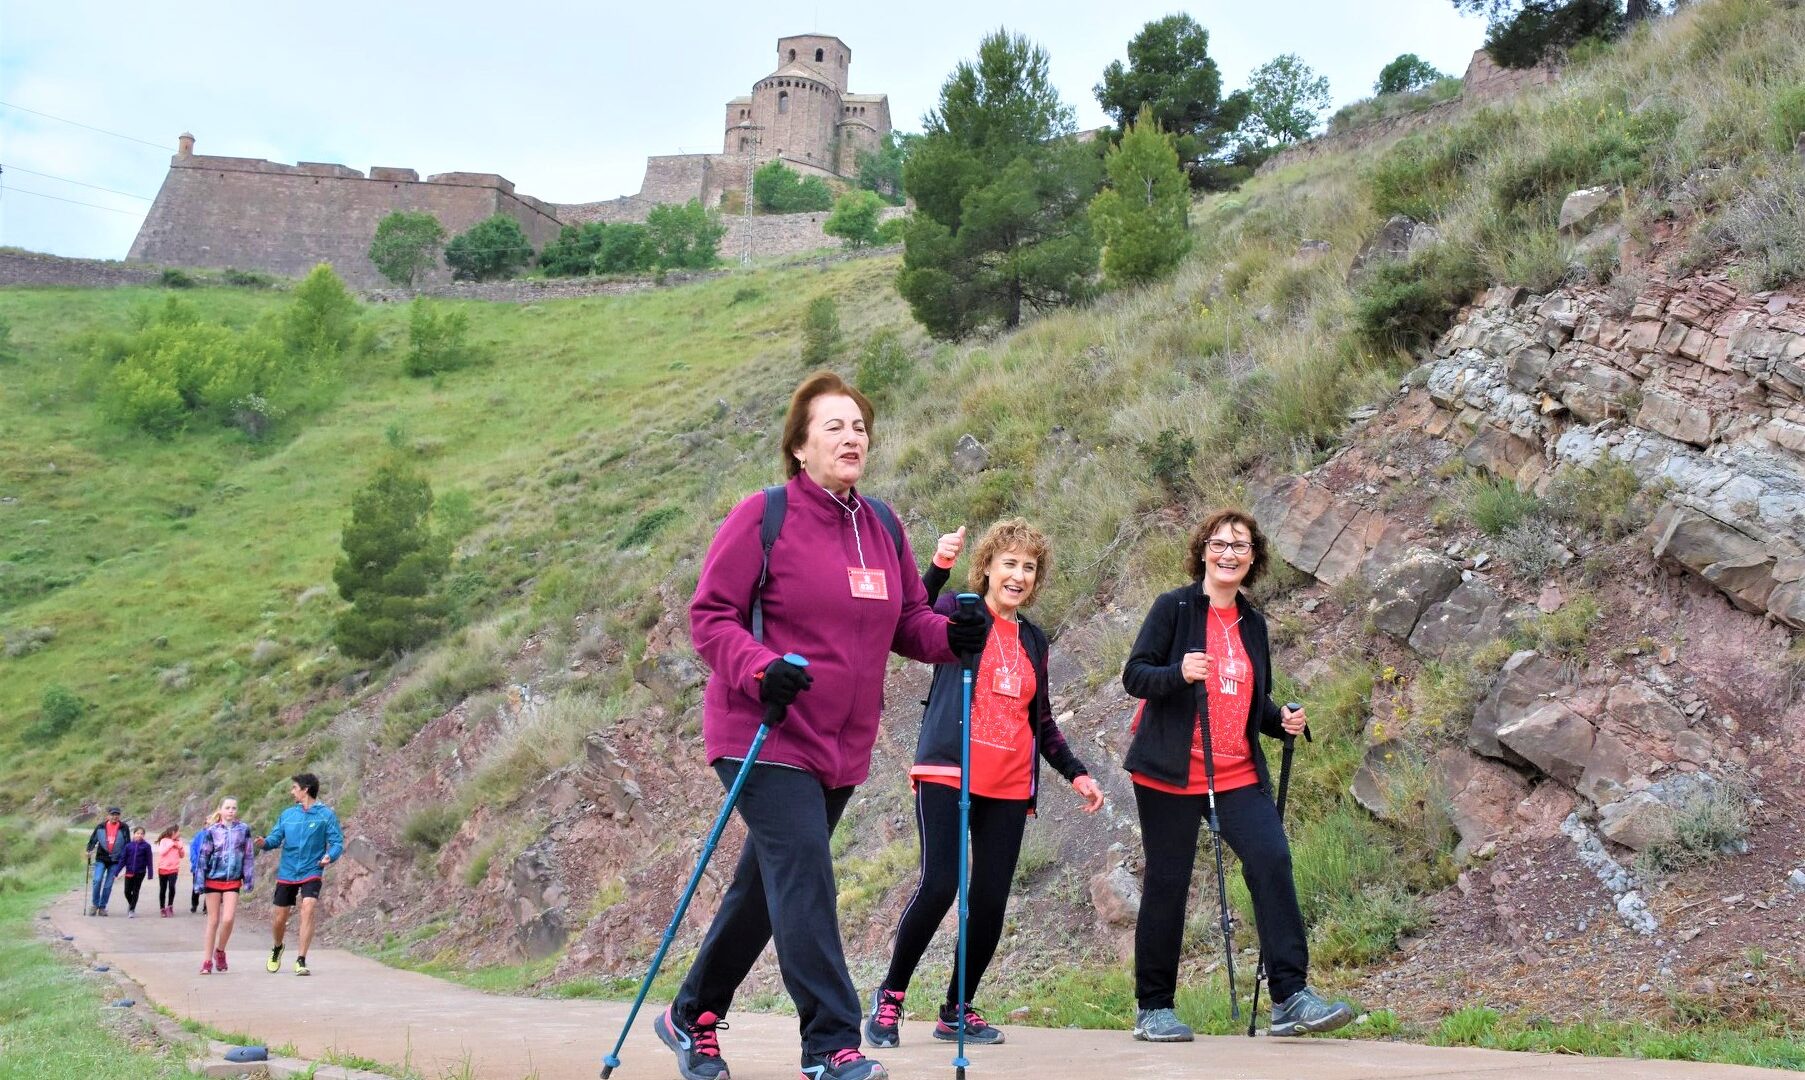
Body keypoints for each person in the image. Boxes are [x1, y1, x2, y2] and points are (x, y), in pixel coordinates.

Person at [657, 371, 986, 1080]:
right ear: (800, 448)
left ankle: (691, 1013)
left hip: (840, 746)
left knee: (766, 888)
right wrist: (757, 666)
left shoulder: (883, 526)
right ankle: (831, 1043)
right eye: (833, 426)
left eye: (859, 426)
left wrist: (953, 635)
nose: (851, 437)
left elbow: (907, 623)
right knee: (805, 874)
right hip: (762, 729)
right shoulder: (763, 515)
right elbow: (708, 616)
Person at [866, 519, 1105, 1050]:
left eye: (1029, 567)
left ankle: (956, 1007)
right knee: (939, 885)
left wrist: (1077, 772)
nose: (1018, 575)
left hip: (1009, 785)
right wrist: (937, 567)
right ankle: (890, 997)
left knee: (991, 900)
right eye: (1010, 563)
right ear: (990, 567)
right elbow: (906, 624)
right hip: (948, 771)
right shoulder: (960, 611)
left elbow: (1040, 720)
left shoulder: (1033, 640)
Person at [1121, 509, 1354, 1041]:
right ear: (1203, 549)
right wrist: (1178, 673)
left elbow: (1251, 700)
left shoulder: (1253, 622)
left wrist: (1281, 720)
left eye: (1241, 546)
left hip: (1237, 771)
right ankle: (1153, 1007)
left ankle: (1290, 997)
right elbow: (1135, 674)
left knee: (1271, 858)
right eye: (1220, 543)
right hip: (1170, 773)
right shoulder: (1174, 608)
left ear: (1253, 558)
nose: (1230, 553)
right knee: (1168, 883)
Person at [255, 772, 344, 976]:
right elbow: (276, 838)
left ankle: (301, 960)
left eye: (294, 787)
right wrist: (265, 843)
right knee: (279, 918)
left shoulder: (326, 815)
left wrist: (330, 856)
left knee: (308, 907)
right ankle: (277, 947)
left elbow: (337, 842)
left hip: (312, 869)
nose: (291, 791)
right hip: (287, 870)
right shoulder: (287, 814)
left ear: (305, 789)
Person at [195, 798, 255, 974]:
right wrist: (199, 882)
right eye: (227, 808)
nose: (231, 811)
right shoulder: (211, 831)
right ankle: (207, 961)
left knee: (228, 918)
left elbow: (249, 855)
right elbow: (203, 856)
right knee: (213, 921)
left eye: (234, 808)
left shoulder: (243, 830)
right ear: (220, 810)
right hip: (213, 878)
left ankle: (220, 951)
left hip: (233, 880)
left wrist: (249, 879)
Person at [84, 807, 130, 916]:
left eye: (117, 814)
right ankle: (95, 905)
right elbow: (92, 840)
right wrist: (88, 850)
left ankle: (102, 907)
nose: (115, 816)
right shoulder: (100, 827)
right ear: (108, 816)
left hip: (115, 861)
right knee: (97, 880)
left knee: (108, 885)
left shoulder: (124, 827)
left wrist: (127, 859)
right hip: (101, 858)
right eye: (113, 814)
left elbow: (128, 844)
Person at [119, 827, 154, 917]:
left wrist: (150, 873)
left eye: (141, 834)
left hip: (140, 872)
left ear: (143, 835)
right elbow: (123, 860)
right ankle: (131, 904)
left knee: (135, 891)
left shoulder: (146, 846)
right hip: (129, 872)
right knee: (127, 891)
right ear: (134, 834)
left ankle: (132, 909)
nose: (139, 835)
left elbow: (149, 861)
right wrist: (116, 872)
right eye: (137, 833)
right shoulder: (128, 846)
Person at [153, 826, 185, 917]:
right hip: (163, 868)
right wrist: (171, 845)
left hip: (174, 868)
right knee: (163, 889)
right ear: (173, 832)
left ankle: (170, 906)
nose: (180, 833)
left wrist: (180, 848)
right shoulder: (164, 841)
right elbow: (162, 852)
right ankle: (162, 908)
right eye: (178, 831)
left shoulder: (179, 842)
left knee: (172, 887)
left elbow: (182, 855)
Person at [188, 816, 213, 915]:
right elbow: (193, 847)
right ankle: (194, 904)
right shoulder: (199, 835)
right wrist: (194, 861)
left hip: (210, 867)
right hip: (198, 866)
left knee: (209, 888)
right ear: (204, 824)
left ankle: (206, 907)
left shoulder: (216, 835)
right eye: (207, 823)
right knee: (196, 886)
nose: (209, 825)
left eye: (211, 824)